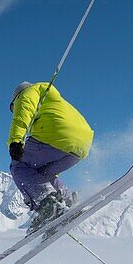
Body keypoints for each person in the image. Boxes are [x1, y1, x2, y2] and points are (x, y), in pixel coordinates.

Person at [7, 81, 94, 229]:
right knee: (41, 174)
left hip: (56, 135)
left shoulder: (27, 94)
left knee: (19, 166)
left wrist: (15, 142)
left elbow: (22, 116)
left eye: (13, 108)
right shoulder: (52, 98)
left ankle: (48, 204)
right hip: (81, 145)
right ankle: (66, 200)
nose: (14, 110)